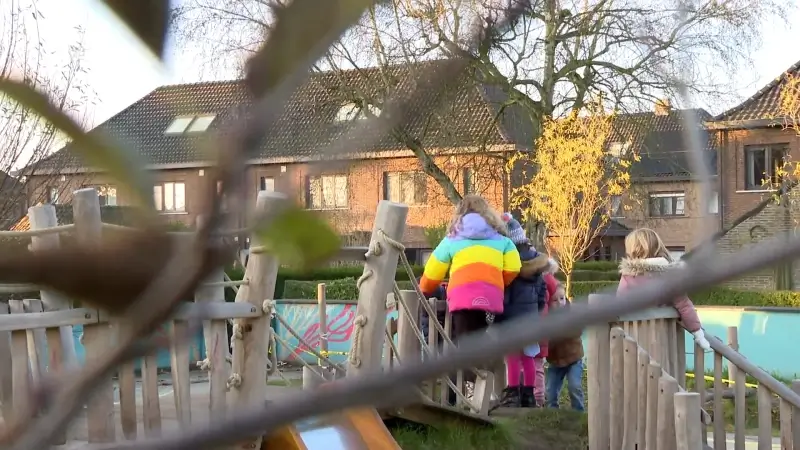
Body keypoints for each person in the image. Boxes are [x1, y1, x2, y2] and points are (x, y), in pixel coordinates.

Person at [419, 194, 521, 340]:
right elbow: (514, 268)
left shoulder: (451, 240)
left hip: (461, 297)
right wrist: (496, 282)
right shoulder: (503, 241)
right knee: (483, 339)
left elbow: (433, 271)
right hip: (490, 297)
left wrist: (425, 288)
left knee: (464, 342)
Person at [493, 213, 554, 408]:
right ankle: (528, 394)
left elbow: (503, 292)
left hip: (511, 318)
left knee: (512, 355)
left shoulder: (508, 263)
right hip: (530, 319)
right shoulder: (536, 264)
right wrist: (535, 311)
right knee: (528, 356)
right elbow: (542, 291)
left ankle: (512, 393)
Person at [617, 228, 711, 350]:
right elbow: (684, 305)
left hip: (634, 337)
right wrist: (698, 332)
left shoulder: (629, 275)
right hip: (664, 338)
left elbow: (619, 304)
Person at [545, 284, 585, 411]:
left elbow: (577, 331)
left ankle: (578, 411)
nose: (559, 303)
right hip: (555, 361)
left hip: (574, 359)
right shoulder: (546, 317)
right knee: (550, 389)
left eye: (562, 298)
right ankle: (552, 411)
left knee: (574, 386)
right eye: (555, 300)